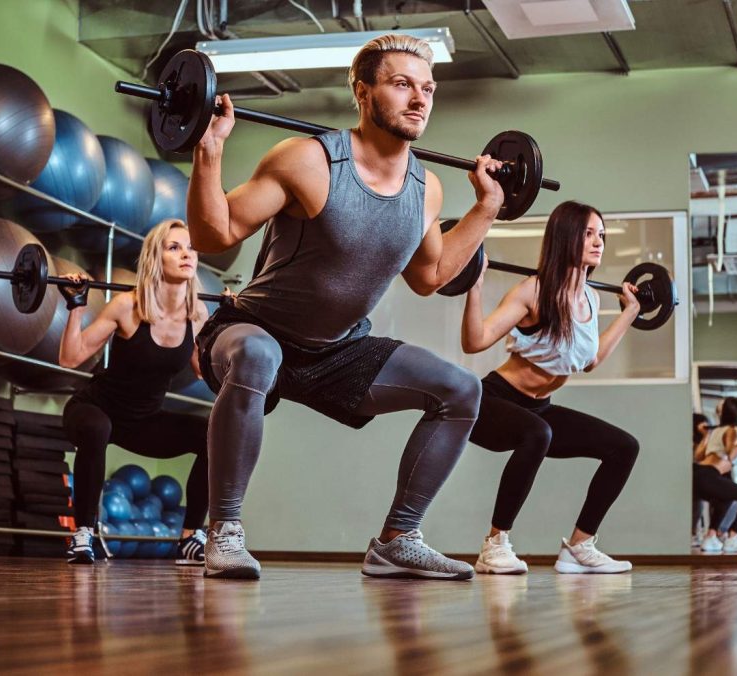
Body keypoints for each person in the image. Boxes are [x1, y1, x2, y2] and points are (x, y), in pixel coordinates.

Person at [186, 33, 502, 580]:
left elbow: (429, 277)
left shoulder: (425, 188)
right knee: (258, 355)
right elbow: (215, 235)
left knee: (461, 390)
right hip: (253, 329)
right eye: (402, 84)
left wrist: (487, 208)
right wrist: (208, 150)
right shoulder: (308, 160)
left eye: (427, 88)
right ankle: (224, 532)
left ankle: (398, 539)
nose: (419, 99)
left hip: (338, 350)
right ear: (363, 92)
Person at [460, 200, 641, 575]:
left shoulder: (590, 298)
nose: (599, 242)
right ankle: (494, 545)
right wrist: (473, 285)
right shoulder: (533, 292)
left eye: (601, 234)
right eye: (588, 234)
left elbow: (590, 360)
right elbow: (474, 341)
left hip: (538, 409)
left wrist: (630, 313)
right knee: (538, 433)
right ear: (566, 236)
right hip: (493, 402)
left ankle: (579, 547)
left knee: (623, 447)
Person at [58, 219, 211, 565]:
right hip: (95, 408)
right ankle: (83, 535)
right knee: (97, 428)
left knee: (210, 435)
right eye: (174, 247)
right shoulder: (127, 306)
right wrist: (76, 306)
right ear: (156, 258)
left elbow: (204, 372)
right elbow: (70, 357)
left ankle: (190, 537)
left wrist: (224, 326)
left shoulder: (197, 314)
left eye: (191, 248)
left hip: (143, 422)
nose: (186, 254)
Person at [692, 397, 737, 553]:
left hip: (698, 474)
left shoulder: (715, 431)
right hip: (710, 475)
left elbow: (698, 457)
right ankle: (733, 537)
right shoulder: (733, 430)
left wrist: (705, 435)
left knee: (726, 498)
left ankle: (710, 537)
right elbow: (731, 455)